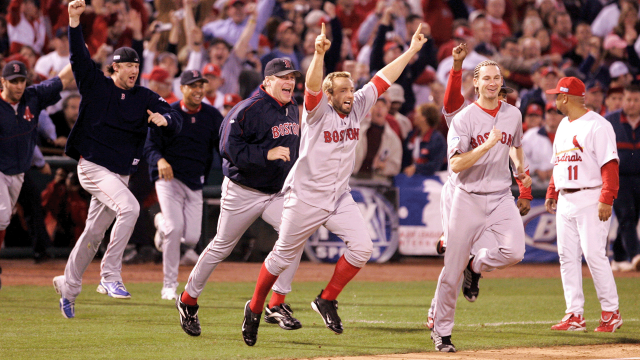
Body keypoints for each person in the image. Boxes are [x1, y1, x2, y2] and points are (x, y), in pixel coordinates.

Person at [241, 23, 429, 347]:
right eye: (341, 90)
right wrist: (318, 54)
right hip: (306, 196)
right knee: (281, 257)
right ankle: (255, 307)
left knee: (363, 248)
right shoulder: (316, 112)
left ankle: (327, 299)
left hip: (339, 196)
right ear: (330, 95)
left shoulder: (358, 104)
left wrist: (411, 51)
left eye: (349, 87)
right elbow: (313, 85)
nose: (348, 94)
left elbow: (384, 78)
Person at [52, 0, 182, 319]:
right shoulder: (97, 86)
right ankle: (110, 277)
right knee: (131, 207)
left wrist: (166, 120)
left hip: (120, 174)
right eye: (126, 65)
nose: (133, 70)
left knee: (94, 233)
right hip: (94, 166)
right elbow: (78, 57)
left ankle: (68, 286)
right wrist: (73, 21)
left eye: (135, 65)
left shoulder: (144, 96)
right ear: (114, 68)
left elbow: (173, 113)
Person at [174, 58, 303, 337]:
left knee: (296, 234)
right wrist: (264, 155)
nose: (290, 82)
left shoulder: (292, 108)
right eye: (283, 77)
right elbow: (227, 148)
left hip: (276, 191)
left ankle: (276, 303)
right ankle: (188, 300)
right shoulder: (247, 109)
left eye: (292, 76)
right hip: (242, 191)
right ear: (267, 80)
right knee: (222, 246)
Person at [432, 57, 529, 352]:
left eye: (496, 78)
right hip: (467, 197)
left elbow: (516, 144)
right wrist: (486, 145)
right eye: (486, 78)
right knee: (451, 270)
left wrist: (521, 173)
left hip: (500, 196)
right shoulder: (464, 119)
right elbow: (457, 163)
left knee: (515, 251)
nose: (492, 82)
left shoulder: (513, 114)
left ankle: (476, 265)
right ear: (475, 83)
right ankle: (442, 332)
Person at [545, 77, 623, 332]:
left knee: (593, 254)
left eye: (557, 95)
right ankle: (574, 314)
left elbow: (609, 164)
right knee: (567, 257)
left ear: (566, 97)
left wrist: (607, 197)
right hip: (566, 198)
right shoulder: (563, 127)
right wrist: (552, 191)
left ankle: (611, 311)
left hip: (591, 196)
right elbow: (559, 163)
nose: (554, 99)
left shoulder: (597, 126)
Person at [144, 70, 223, 300]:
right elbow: (149, 146)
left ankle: (160, 224)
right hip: (169, 180)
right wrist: (159, 160)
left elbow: (223, 145)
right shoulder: (169, 112)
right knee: (175, 228)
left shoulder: (211, 115)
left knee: (190, 239)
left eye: (201, 85)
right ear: (182, 88)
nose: (198, 90)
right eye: (193, 85)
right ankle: (169, 285)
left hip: (195, 182)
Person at [0, 59, 74, 289]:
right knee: (1, 216)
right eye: (13, 82)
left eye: (22, 80)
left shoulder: (33, 96)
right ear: (3, 82)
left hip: (19, 172)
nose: (19, 86)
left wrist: (79, 46)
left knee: (5, 218)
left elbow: (63, 79)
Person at [604, 84, 640, 272]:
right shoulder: (609, 122)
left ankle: (618, 256)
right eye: (628, 99)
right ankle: (636, 255)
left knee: (632, 218)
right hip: (618, 178)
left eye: (635, 100)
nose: (631, 104)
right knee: (626, 214)